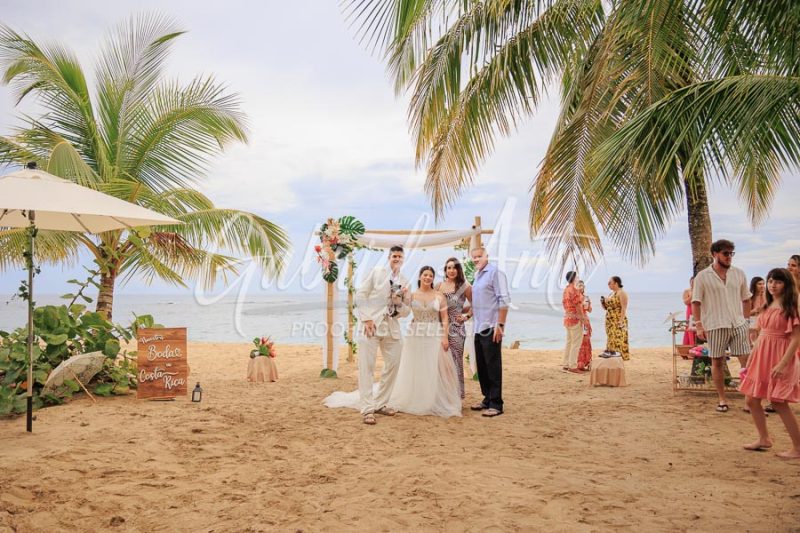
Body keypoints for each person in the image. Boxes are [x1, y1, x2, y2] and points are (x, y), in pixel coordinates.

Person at [739, 268, 800, 459]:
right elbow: (762, 333)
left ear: (787, 284)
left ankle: (798, 447)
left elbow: (796, 338)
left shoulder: (791, 305)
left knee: (778, 402)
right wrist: (752, 354)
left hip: (780, 356)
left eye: (778, 282)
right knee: (751, 399)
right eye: (771, 281)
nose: (773, 285)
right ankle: (764, 438)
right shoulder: (768, 303)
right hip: (762, 355)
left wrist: (782, 364)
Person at [347, 245, 411, 425]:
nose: (397, 259)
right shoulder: (376, 272)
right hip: (372, 325)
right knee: (367, 367)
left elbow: (407, 311)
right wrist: (366, 318)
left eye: (400, 256)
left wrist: (399, 303)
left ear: (403, 259)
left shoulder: (405, 282)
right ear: (389, 257)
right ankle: (368, 409)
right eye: (394, 256)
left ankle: (380, 403)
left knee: (393, 364)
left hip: (392, 328)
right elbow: (361, 295)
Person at [388, 266, 462, 417]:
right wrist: (396, 297)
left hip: (434, 333)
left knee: (435, 366)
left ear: (433, 278)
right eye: (425, 275)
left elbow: (445, 318)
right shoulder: (412, 295)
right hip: (415, 334)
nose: (427, 278)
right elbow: (403, 312)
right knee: (416, 366)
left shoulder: (439, 296)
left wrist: (445, 337)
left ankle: (434, 399)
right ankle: (416, 397)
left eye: (430, 276)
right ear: (420, 277)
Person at [692, 239, 751, 413]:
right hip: (715, 324)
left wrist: (746, 321)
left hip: (738, 324)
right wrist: (699, 325)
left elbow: (746, 299)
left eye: (731, 253)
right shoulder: (703, 276)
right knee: (717, 362)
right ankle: (722, 399)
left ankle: (749, 400)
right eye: (725, 253)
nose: (729, 257)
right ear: (714, 254)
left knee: (746, 362)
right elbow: (696, 302)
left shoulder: (739, 273)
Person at [469, 247, 510, 417]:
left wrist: (500, 325)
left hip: (491, 327)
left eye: (479, 256)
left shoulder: (495, 273)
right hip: (478, 327)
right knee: (482, 366)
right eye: (474, 257)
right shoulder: (477, 275)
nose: (476, 259)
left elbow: (504, 300)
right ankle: (487, 398)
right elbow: (478, 302)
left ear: (487, 256)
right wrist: (466, 315)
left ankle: (496, 404)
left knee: (493, 366)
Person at [436, 258, 472, 399]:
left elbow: (476, 304)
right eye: (449, 268)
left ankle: (456, 396)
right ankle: (442, 396)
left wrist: (466, 316)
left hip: (456, 329)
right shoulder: (438, 286)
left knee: (455, 361)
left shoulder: (464, 286)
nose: (451, 270)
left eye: (454, 268)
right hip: (440, 327)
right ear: (445, 270)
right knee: (441, 362)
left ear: (458, 270)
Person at [561, 272, 585, 373]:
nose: (578, 278)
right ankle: (572, 366)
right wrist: (582, 318)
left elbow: (564, 304)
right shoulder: (574, 290)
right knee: (576, 343)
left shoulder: (566, 290)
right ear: (574, 278)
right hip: (575, 319)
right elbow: (578, 306)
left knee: (569, 342)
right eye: (577, 277)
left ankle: (566, 364)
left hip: (567, 318)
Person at [602, 276, 629, 360]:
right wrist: (603, 302)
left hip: (617, 319)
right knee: (610, 337)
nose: (608, 284)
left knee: (618, 338)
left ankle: (618, 357)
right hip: (609, 320)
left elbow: (624, 308)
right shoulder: (611, 294)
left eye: (610, 283)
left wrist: (621, 321)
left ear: (616, 283)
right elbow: (606, 308)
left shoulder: (622, 293)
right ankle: (610, 354)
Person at [576, 280, 593, 371]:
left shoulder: (586, 297)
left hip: (585, 321)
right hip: (578, 320)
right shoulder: (575, 298)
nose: (581, 287)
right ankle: (579, 363)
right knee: (579, 342)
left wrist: (588, 304)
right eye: (579, 285)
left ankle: (587, 362)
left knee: (586, 341)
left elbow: (590, 310)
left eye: (582, 285)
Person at [682, 277, 697, 346]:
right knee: (690, 328)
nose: (693, 284)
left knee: (697, 328)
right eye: (692, 282)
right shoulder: (687, 291)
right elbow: (685, 302)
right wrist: (692, 295)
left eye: (694, 282)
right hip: (690, 311)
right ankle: (690, 345)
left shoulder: (699, 290)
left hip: (698, 310)